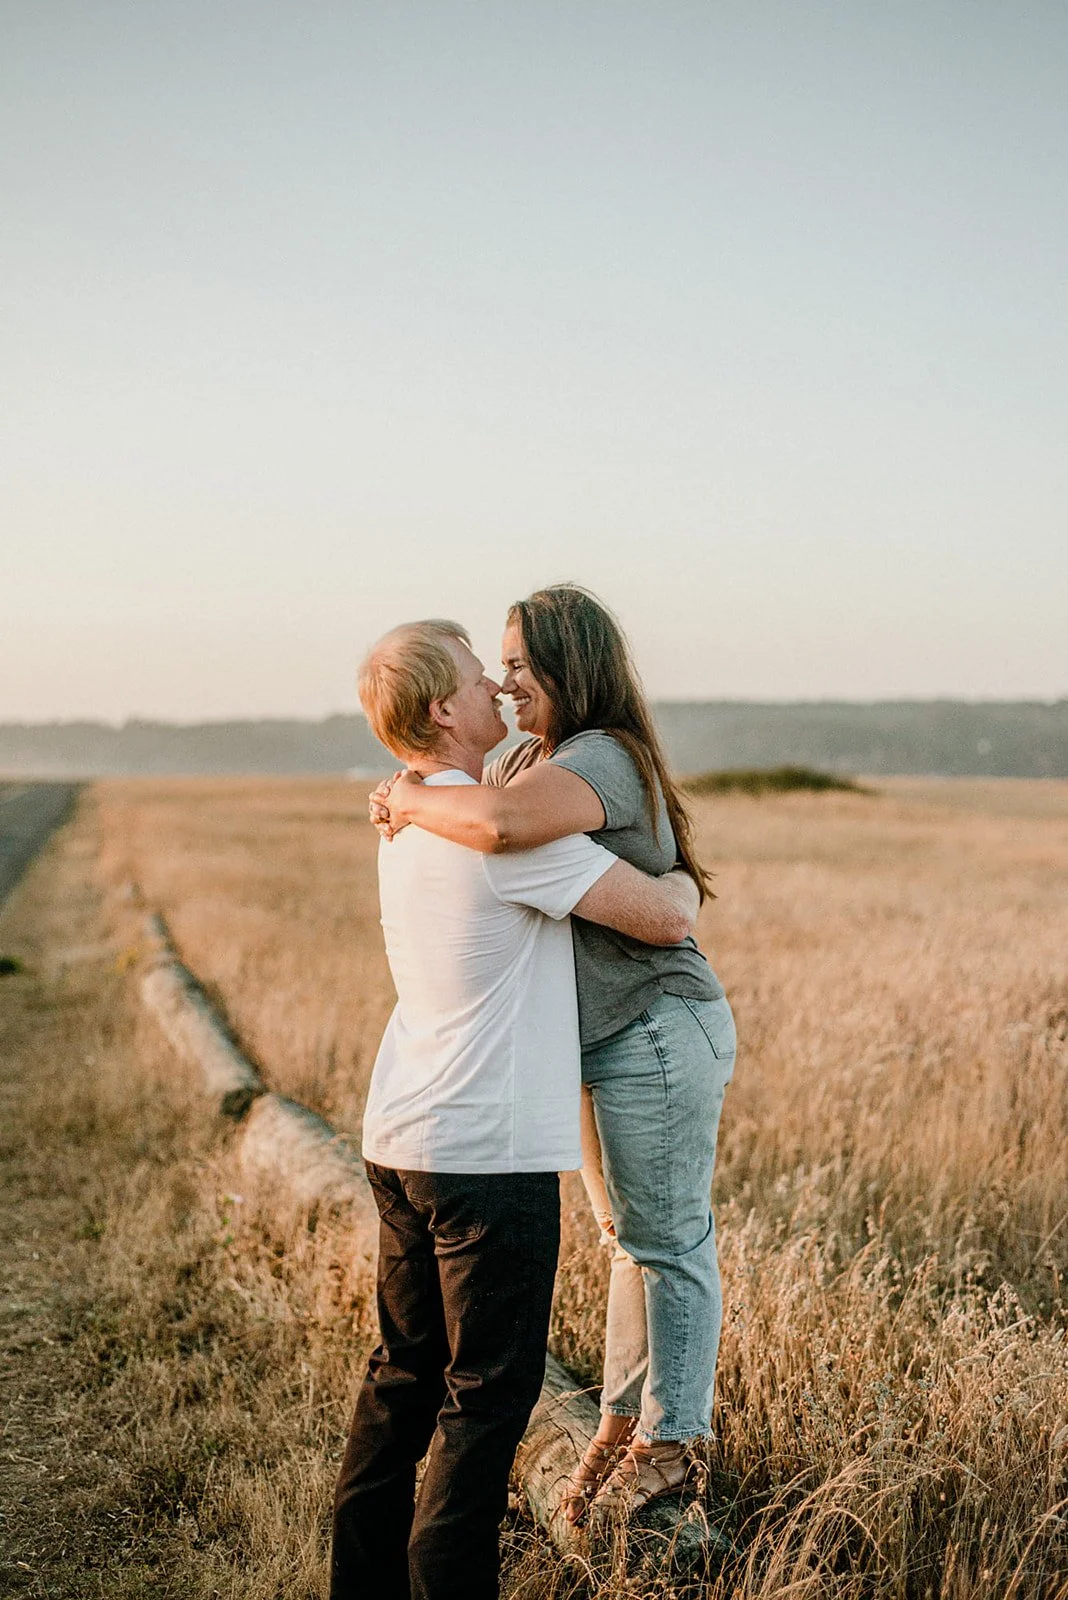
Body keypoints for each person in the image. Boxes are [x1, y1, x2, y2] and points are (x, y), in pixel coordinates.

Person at [332, 618, 702, 1600]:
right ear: (443, 709)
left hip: (402, 1133)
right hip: (484, 1155)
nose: (500, 690)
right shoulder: (500, 835)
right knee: (487, 1402)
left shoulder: (413, 822)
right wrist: (679, 878)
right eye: (478, 680)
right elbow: (663, 918)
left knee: (403, 1376)